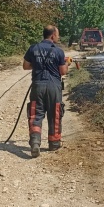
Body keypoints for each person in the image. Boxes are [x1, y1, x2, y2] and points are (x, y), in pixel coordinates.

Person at [23, 25, 68, 157]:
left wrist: (38, 64)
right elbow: (63, 71)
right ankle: (54, 144)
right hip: (54, 86)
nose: (58, 37)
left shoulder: (33, 48)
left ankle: (35, 142)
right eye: (57, 35)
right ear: (53, 35)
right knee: (55, 114)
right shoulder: (59, 51)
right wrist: (67, 63)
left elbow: (25, 66)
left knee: (36, 114)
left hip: (38, 85)